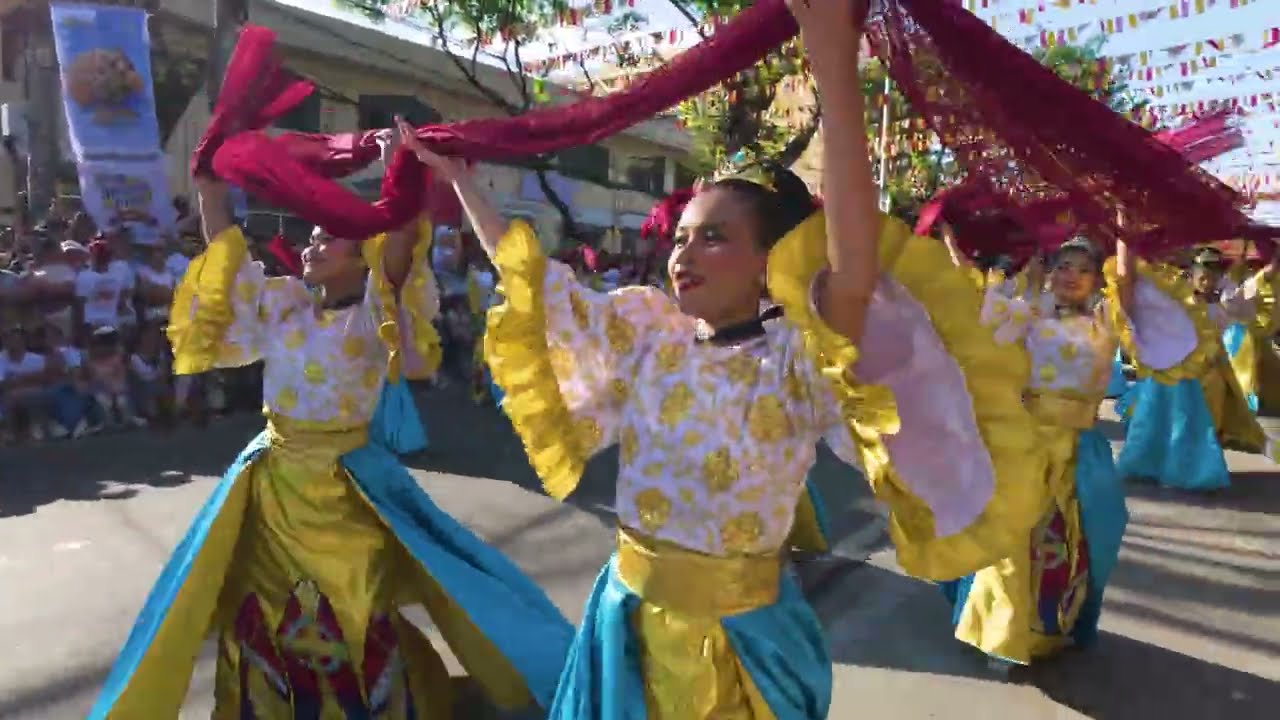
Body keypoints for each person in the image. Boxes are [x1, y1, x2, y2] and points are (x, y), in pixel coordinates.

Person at [403, 1, 1045, 716]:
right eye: (681, 237)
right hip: (625, 626)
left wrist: (833, 61)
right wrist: (463, 182)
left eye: (714, 238)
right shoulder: (650, 335)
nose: (683, 255)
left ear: (770, 262)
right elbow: (540, 284)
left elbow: (852, 271)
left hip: (741, 647)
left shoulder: (797, 363)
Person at [89, 120, 572, 720]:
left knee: (353, 604)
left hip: (348, 487)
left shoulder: (372, 318)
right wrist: (210, 189)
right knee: (266, 605)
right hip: (268, 487)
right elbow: (230, 266)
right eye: (311, 239)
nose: (310, 248)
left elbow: (398, 253)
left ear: (360, 257)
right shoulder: (285, 304)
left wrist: (401, 177)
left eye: (326, 241)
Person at [940, 234, 1211, 671]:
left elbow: (1126, 282)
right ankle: (1002, 636)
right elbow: (975, 314)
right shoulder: (1027, 311)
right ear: (1049, 270)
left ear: (1097, 280)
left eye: (1084, 269)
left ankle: (1052, 626)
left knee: (1086, 541)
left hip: (1079, 450)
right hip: (1024, 446)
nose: (1072, 276)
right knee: (1014, 541)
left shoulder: (1107, 320)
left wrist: (1124, 227)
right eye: (1064, 265)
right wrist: (954, 242)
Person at [1116, 246, 1280, 491]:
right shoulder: (1177, 298)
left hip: (1209, 373)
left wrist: (1269, 272)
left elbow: (1249, 301)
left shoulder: (1226, 301)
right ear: (1192, 273)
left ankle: (1197, 467)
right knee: (1159, 420)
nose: (1208, 278)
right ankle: (1156, 462)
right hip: (1172, 371)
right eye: (1204, 272)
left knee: (1202, 423)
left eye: (1215, 272)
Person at [0, 325, 54, 442]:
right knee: (10, 396)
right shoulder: (1, 358)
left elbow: (45, 380)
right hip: (8, 395)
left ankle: (37, 430)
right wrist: (29, 379)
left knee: (22, 395)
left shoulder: (37, 359)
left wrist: (18, 379)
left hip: (35, 393)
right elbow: (3, 384)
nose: (12, 342)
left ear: (24, 342)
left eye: (16, 340)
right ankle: (12, 433)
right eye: (9, 339)